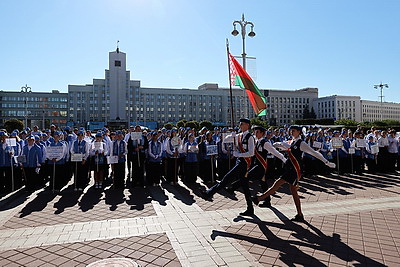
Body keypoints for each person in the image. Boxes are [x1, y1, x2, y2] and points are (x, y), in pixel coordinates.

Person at [252, 125, 336, 222]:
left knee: (279, 184)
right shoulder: (292, 141)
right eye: (291, 130)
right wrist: (276, 145)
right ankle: (299, 214)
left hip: (295, 169)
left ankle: (259, 199)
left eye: (294, 131)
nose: (291, 132)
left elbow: (314, 153)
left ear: (299, 132)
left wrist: (327, 162)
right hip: (289, 168)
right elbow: (286, 146)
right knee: (292, 191)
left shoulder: (301, 143)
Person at [233, 126, 287, 216]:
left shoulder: (265, 143)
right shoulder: (256, 141)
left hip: (261, 166)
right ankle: (267, 201)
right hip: (257, 165)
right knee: (263, 183)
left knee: (246, 177)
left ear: (262, 133)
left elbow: (275, 152)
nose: (255, 133)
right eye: (254, 131)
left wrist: (284, 160)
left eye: (257, 132)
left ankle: (233, 187)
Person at [201, 118, 255, 200]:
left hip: (244, 163)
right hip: (239, 162)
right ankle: (250, 207)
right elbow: (225, 140)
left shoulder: (250, 137)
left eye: (242, 124)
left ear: (247, 125)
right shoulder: (239, 136)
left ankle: (209, 193)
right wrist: (231, 135)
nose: (240, 125)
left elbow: (251, 153)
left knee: (226, 179)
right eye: (240, 124)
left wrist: (239, 154)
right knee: (244, 186)